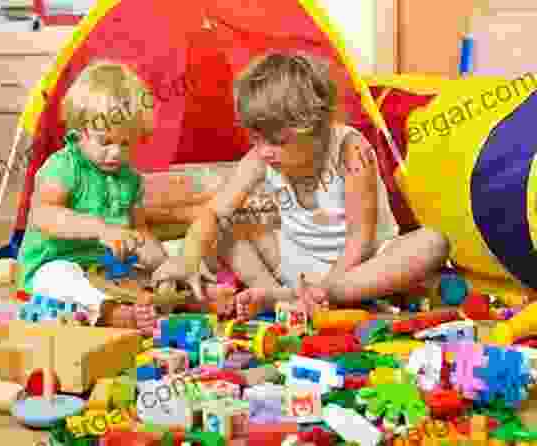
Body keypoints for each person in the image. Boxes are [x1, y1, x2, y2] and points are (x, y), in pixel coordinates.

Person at [152, 52, 450, 321]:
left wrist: (327, 288)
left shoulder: (350, 149)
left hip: (362, 266)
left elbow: (360, 237)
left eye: (276, 140)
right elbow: (214, 213)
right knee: (228, 226)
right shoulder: (261, 158)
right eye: (256, 138)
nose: (264, 150)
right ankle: (271, 293)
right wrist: (187, 257)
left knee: (431, 243)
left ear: (317, 130)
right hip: (297, 264)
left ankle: (316, 297)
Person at [16, 60, 167, 332]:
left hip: (104, 270)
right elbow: (45, 214)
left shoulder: (129, 179)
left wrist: (165, 265)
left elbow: (139, 230)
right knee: (61, 278)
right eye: (105, 141)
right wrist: (101, 230)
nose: (115, 153)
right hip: (52, 266)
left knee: (153, 278)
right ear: (78, 130)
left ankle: (191, 300)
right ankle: (115, 315)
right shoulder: (65, 165)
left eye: (125, 143)